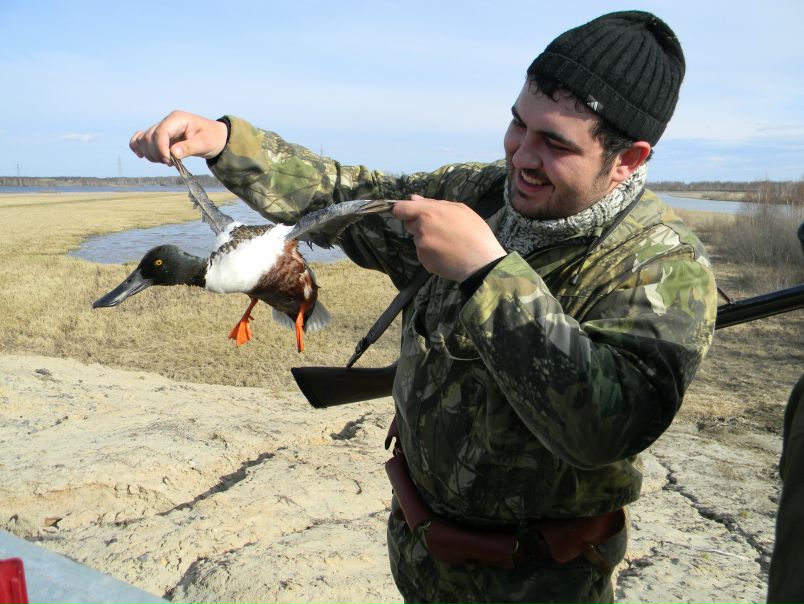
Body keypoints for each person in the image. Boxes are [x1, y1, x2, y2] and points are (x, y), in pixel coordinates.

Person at [130, 11, 717, 604]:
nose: (521, 155)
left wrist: (486, 275)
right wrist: (227, 144)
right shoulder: (476, 192)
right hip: (419, 558)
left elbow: (608, 428)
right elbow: (349, 199)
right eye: (518, 124)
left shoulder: (664, 267)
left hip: (538, 584)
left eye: (556, 143)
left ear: (628, 159)